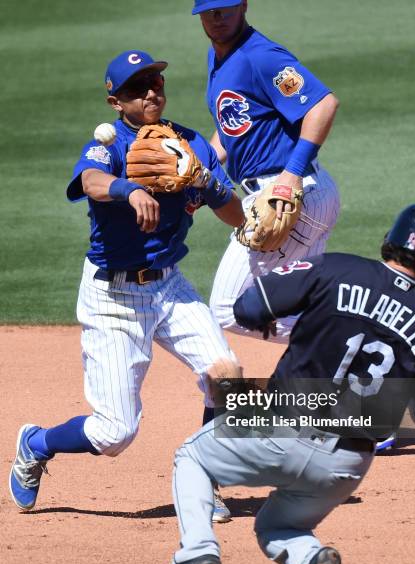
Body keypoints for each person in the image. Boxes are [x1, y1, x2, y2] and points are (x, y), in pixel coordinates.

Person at [136, 203, 415, 564]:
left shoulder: (336, 269)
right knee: (279, 526)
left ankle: (196, 552)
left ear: (391, 240)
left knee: (192, 457)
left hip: (281, 424)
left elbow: (246, 309)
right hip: (346, 465)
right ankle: (310, 563)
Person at [9, 50, 244, 522]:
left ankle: (205, 481)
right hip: (113, 298)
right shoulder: (108, 144)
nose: (152, 91)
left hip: (171, 288)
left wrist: (211, 184)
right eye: (138, 87)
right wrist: (129, 189)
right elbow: (91, 181)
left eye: (156, 81)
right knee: (114, 434)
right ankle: (35, 444)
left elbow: (233, 214)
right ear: (116, 101)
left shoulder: (189, 141)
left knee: (228, 375)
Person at [191, 0, 341, 342]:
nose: (217, 18)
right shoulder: (218, 56)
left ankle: (347, 345)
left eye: (225, 9)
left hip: (289, 194)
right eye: (209, 11)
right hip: (291, 195)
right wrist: (203, 171)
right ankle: (340, 379)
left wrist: (291, 175)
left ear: (243, 5)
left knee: (228, 309)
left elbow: (323, 105)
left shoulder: (261, 55)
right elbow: (234, 125)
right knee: (296, 304)